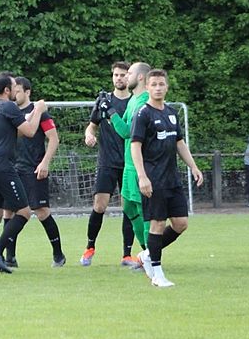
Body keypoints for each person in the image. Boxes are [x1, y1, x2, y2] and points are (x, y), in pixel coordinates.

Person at [130, 69, 203, 287]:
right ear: (147, 87)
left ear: (167, 87)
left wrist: (193, 166)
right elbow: (135, 146)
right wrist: (142, 177)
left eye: (161, 84)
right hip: (153, 179)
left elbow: (179, 142)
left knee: (181, 224)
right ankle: (158, 275)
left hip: (172, 179)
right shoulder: (143, 114)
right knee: (157, 224)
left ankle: (146, 256)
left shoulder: (171, 113)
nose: (158, 88)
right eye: (153, 84)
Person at [0, 72, 45, 274]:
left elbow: (14, 131)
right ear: (7, 90)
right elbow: (30, 132)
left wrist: (29, 116)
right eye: (14, 86)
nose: (17, 90)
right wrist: (38, 110)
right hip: (2, 167)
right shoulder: (8, 106)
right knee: (24, 212)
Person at [80, 61, 138, 267]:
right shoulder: (103, 101)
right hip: (107, 162)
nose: (119, 78)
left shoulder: (134, 103)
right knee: (99, 205)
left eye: (123, 75)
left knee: (128, 208)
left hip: (129, 163)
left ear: (129, 77)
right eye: (116, 75)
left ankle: (127, 255)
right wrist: (89, 135)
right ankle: (89, 248)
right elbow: (92, 126)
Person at [97, 62, 152, 260]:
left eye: (129, 73)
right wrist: (109, 114)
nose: (125, 76)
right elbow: (123, 131)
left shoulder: (144, 101)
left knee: (143, 210)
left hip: (139, 166)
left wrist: (111, 112)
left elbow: (128, 131)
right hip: (128, 165)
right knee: (128, 208)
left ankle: (151, 256)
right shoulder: (133, 100)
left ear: (140, 77)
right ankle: (146, 250)